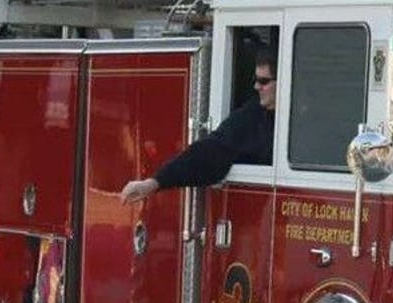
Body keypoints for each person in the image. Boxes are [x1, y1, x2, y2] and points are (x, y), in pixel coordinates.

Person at [119, 52, 277, 204]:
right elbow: (210, 151)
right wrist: (154, 183)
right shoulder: (251, 116)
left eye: (263, 81)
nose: (256, 87)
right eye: (256, 80)